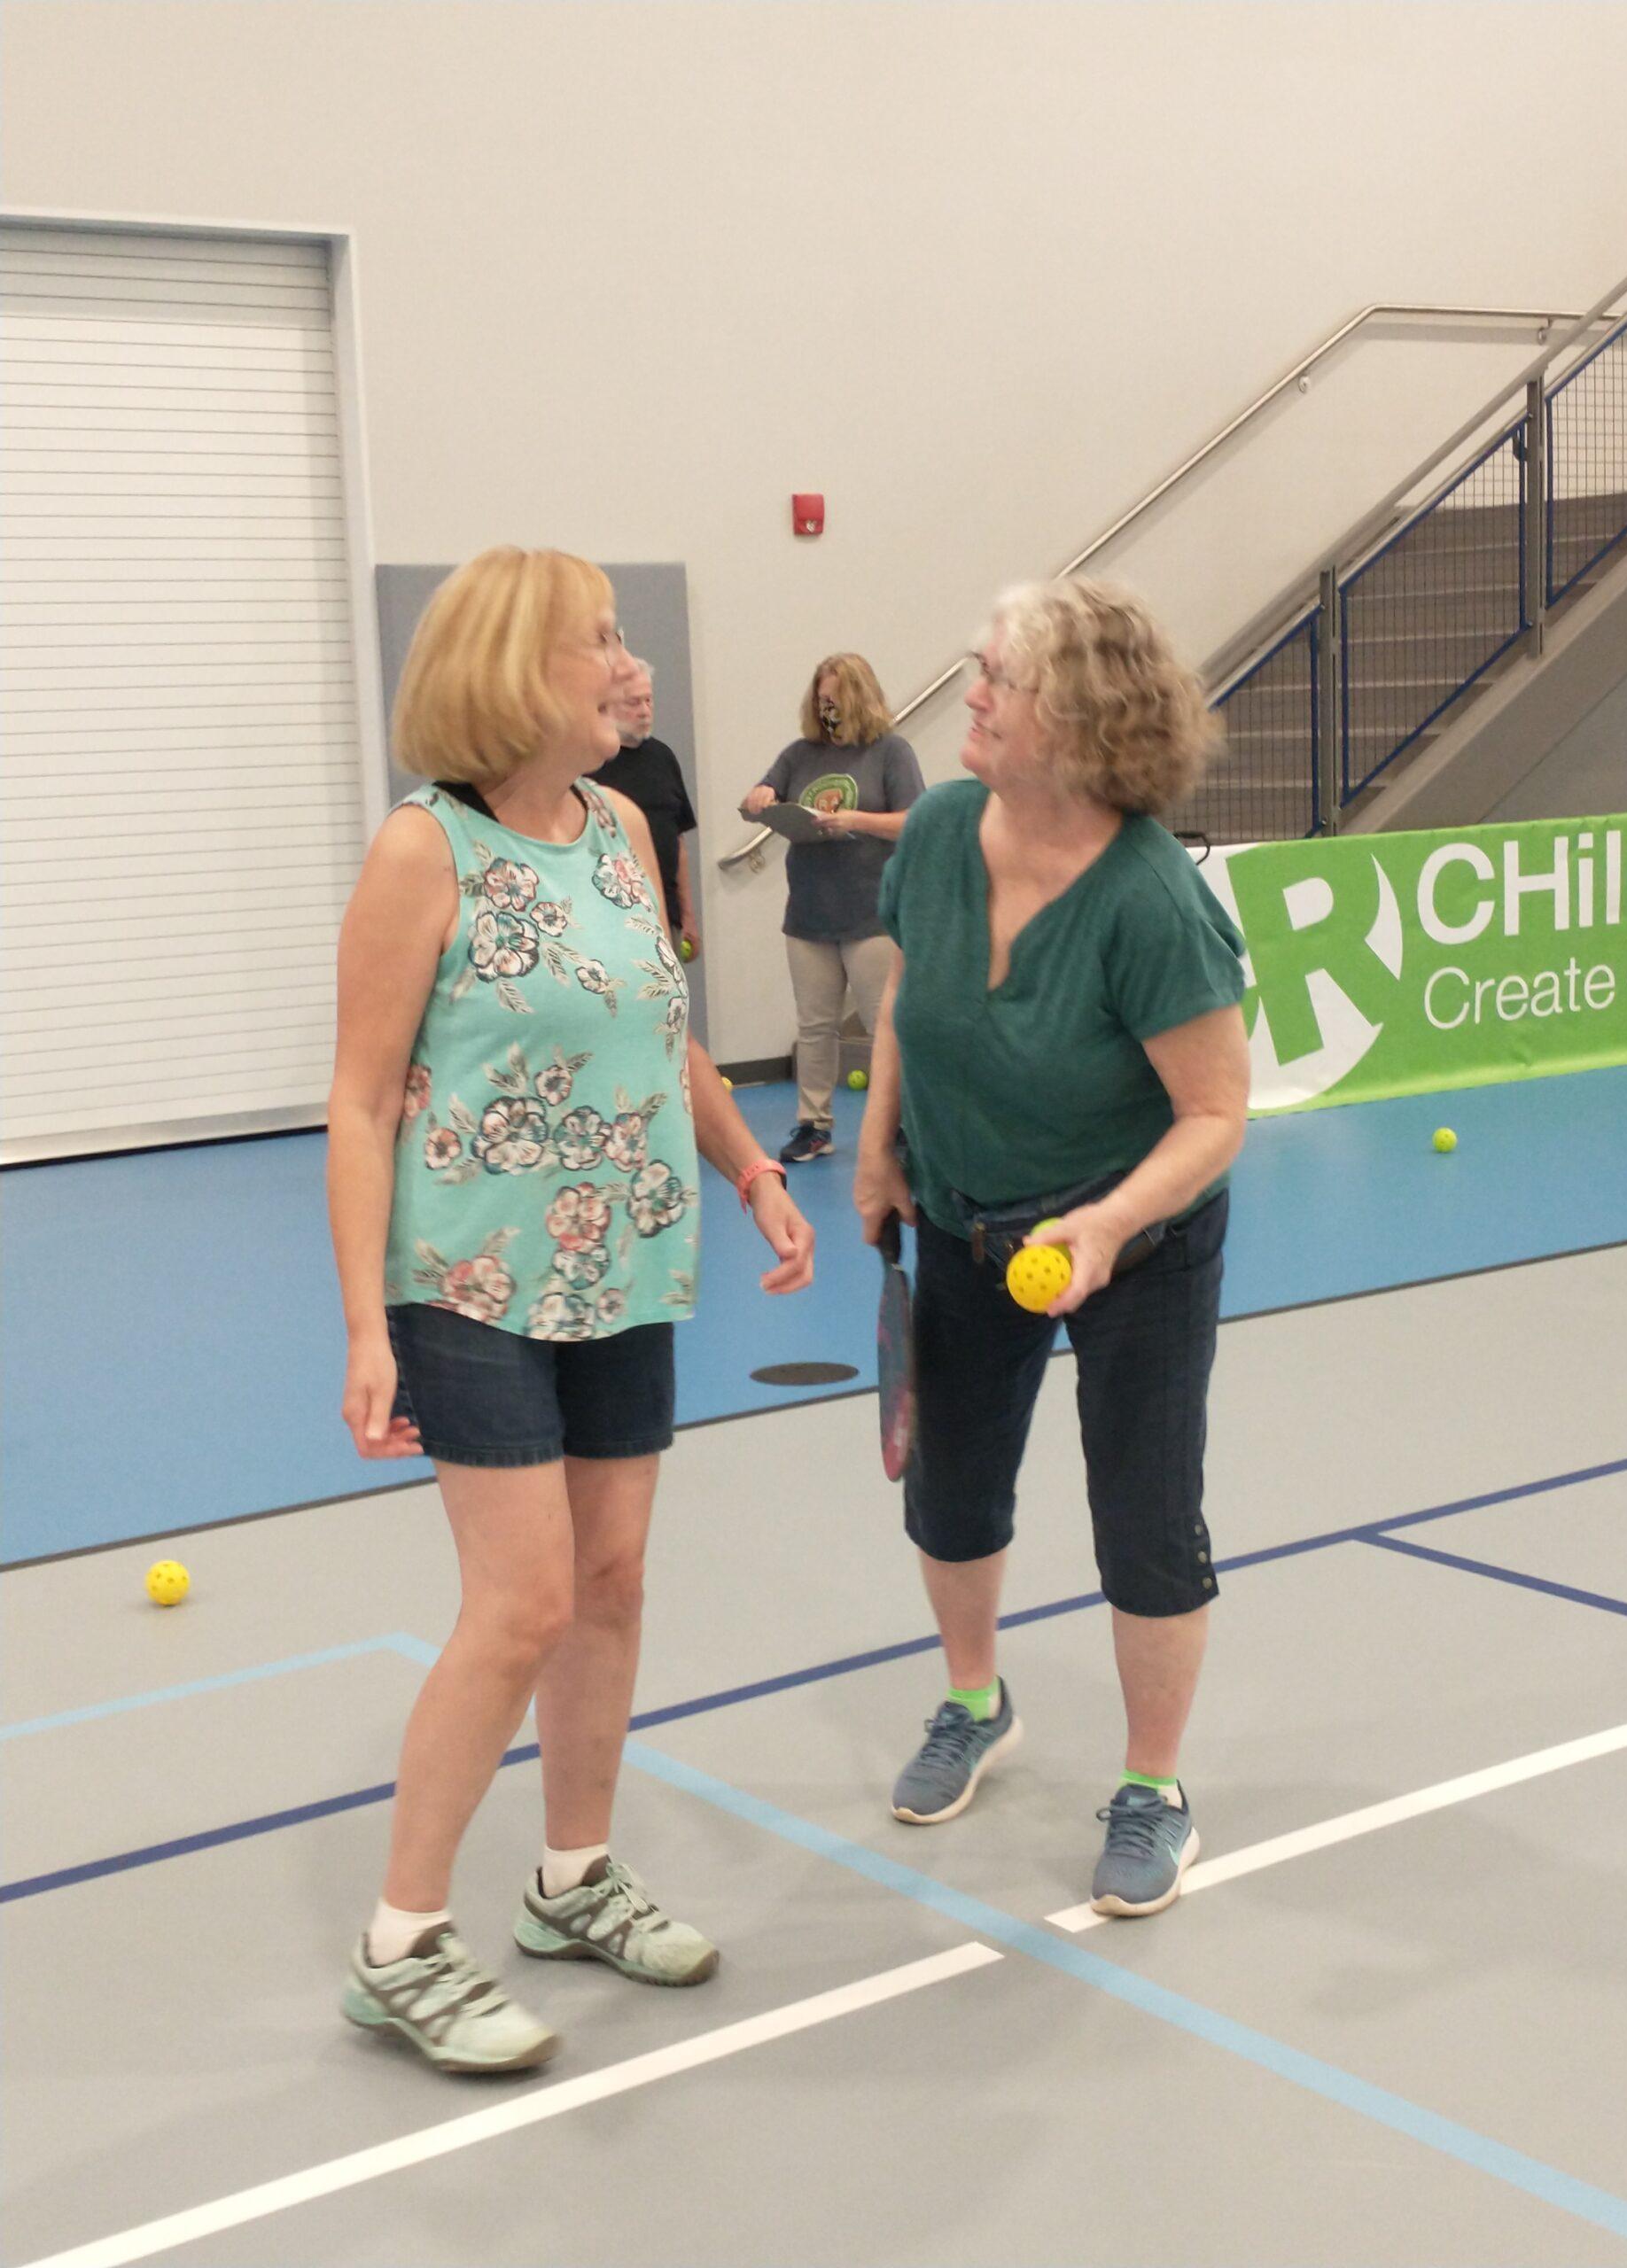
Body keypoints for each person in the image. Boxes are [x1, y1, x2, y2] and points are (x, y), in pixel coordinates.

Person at [327, 546, 814, 2074]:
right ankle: (401, 1940)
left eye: (618, 634)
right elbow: (354, 1102)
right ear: (507, 672)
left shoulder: (620, 828)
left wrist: (747, 1172)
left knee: (610, 1584)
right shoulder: (426, 850)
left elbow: (663, 1035)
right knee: (521, 1602)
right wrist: (362, 1324)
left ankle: (571, 1877)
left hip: (627, 1268)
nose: (625, 662)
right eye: (593, 640)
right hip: (471, 1280)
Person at [852, 579, 1249, 1919]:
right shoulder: (951, 825)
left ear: (1073, 720)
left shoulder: (1149, 900)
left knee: (1144, 1515)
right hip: (964, 1220)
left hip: (1134, 1242)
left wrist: (1110, 1223)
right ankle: (976, 1699)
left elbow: (1215, 1115)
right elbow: (909, 986)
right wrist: (876, 1146)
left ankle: (1154, 1788)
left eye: (995, 679)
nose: (969, 695)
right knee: (954, 1495)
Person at [740, 654, 923, 1164]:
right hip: (809, 914)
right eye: (822, 701)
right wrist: (762, 796)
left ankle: (906, 1125)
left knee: (885, 1024)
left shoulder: (891, 752)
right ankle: (813, 1125)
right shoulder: (800, 754)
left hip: (872, 914)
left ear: (859, 698)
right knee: (815, 1025)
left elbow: (914, 820)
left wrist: (855, 820)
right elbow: (768, 790)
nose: (829, 710)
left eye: (837, 700)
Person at [588, 654, 701, 958]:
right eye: (633, 703)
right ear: (606, 705)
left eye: (649, 701)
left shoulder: (663, 757)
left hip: (666, 912)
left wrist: (687, 914)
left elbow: (678, 844)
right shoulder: (588, 762)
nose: (645, 711)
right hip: (610, 916)